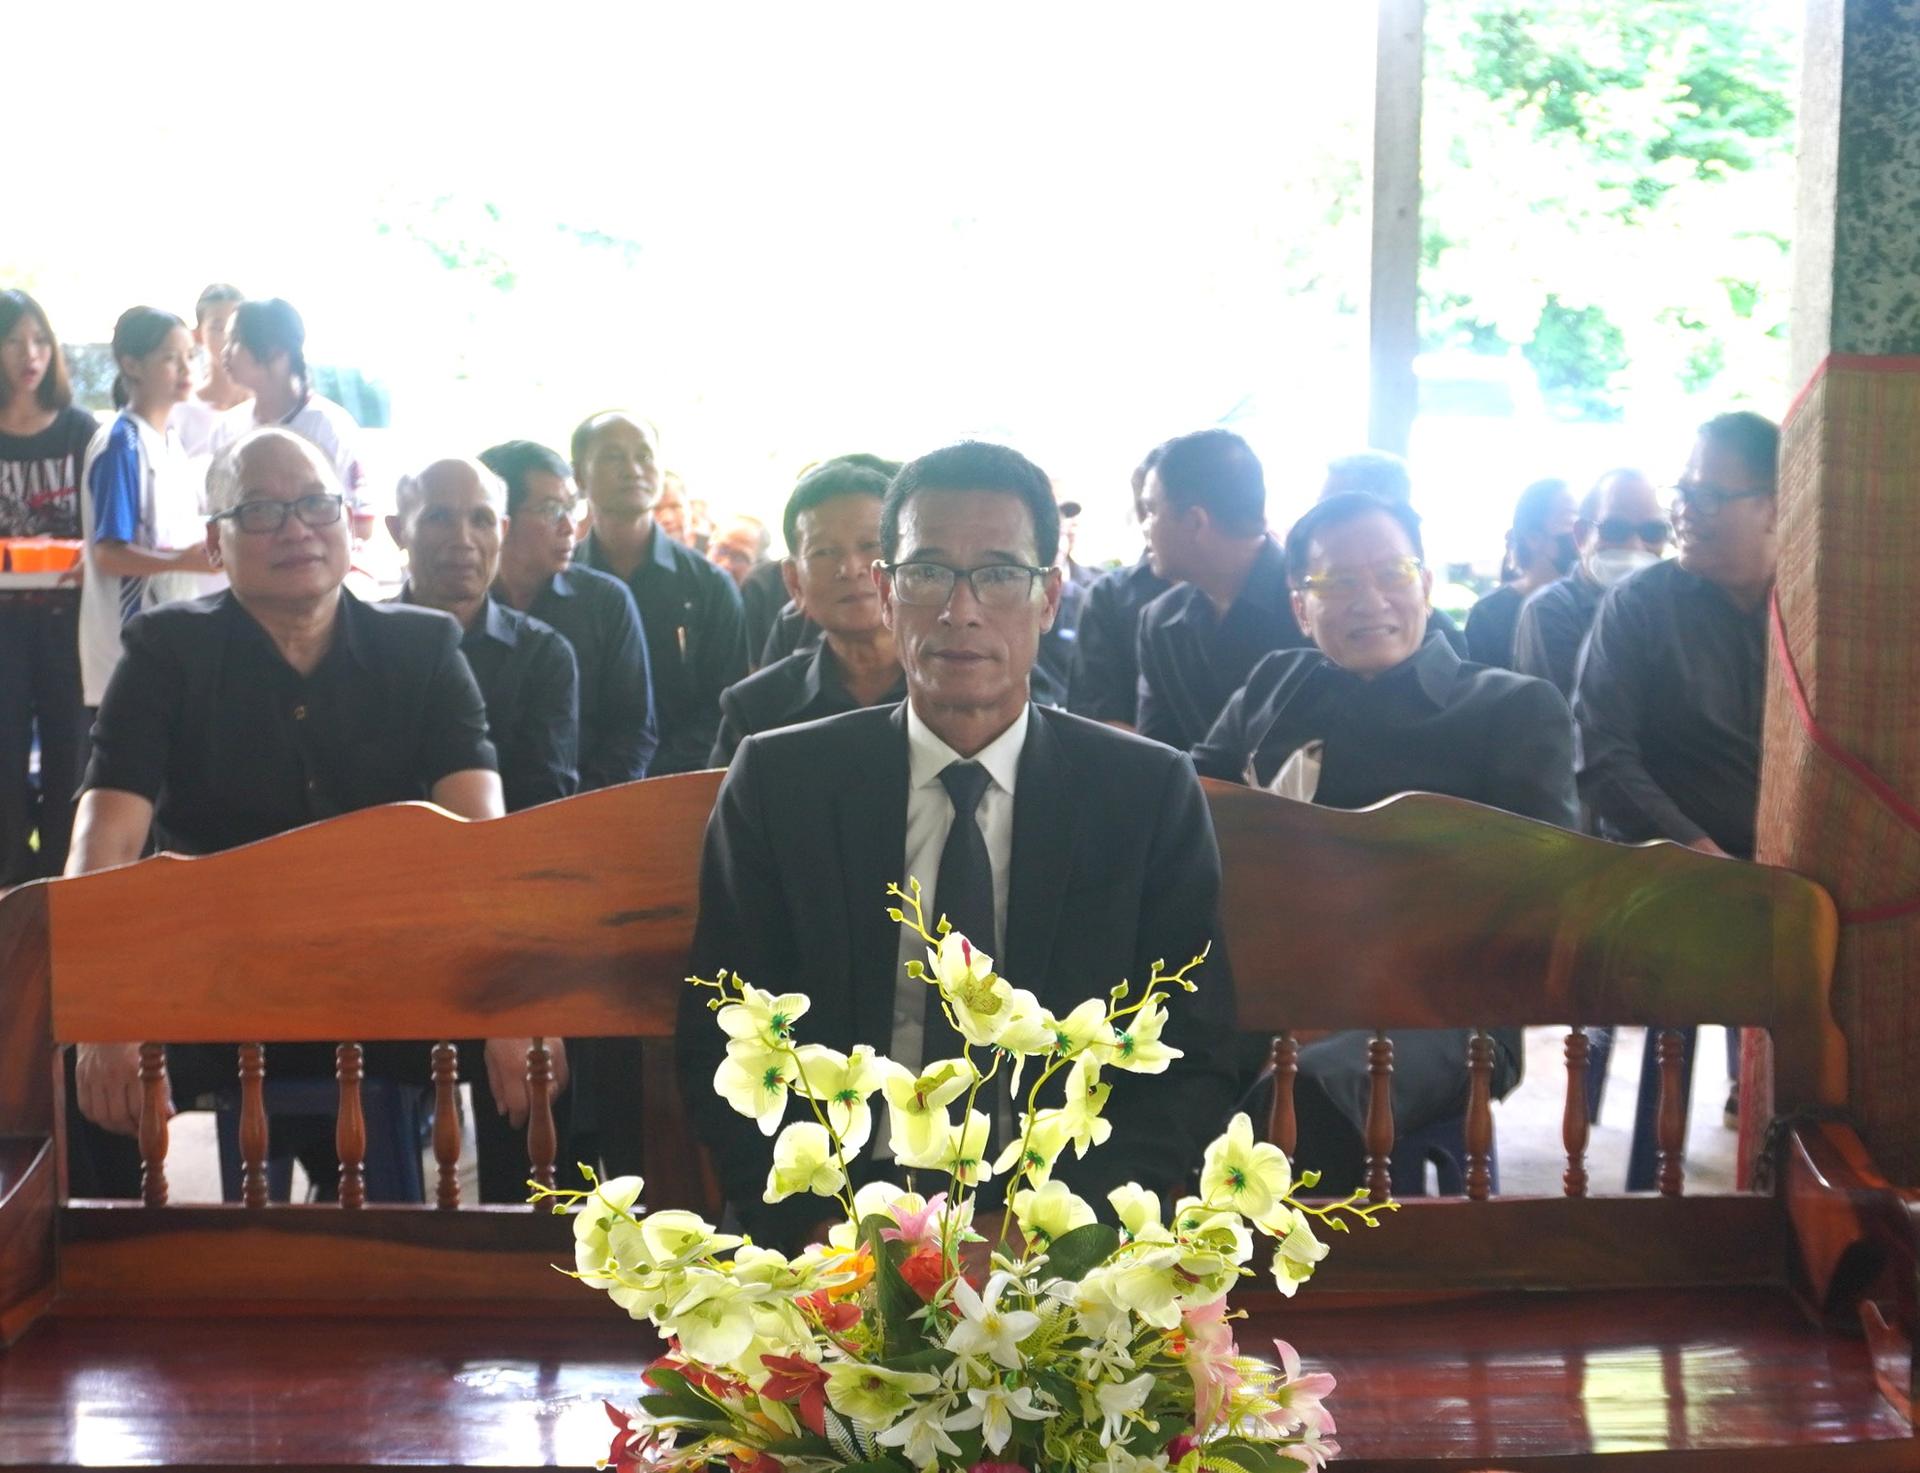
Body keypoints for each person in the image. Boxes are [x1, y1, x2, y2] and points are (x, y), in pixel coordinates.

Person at [679, 439, 1238, 1251]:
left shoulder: (1144, 794)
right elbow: (722, 1029)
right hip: (839, 1224)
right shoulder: (780, 782)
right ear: (885, 591)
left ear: (1050, 595)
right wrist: (820, 1228)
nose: (961, 609)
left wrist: (1065, 1238)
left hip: (1062, 1225)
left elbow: (1193, 1048)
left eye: (1001, 573)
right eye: (928, 572)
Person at [64, 428, 557, 1199]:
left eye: (316, 504)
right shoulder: (166, 651)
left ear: (349, 522)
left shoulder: (421, 647)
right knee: (77, 1065)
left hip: (389, 979)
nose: (296, 529)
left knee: (540, 1034)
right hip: (218, 980)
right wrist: (102, 1012)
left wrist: (517, 997)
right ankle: (123, 1293)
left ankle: (501, 1280)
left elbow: (482, 840)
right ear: (215, 543)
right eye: (260, 511)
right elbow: (105, 841)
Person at [1193, 491, 1577, 1194]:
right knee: (1144, 1064)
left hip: (1443, 1008)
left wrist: (1343, 998)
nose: (1369, 598)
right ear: (1301, 607)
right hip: (1262, 983)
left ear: (1426, 585)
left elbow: (1545, 897)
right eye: (1338, 581)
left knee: (1301, 1101)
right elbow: (1187, 804)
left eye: (1392, 572)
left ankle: (1293, 1292)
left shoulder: (1509, 709)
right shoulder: (1274, 684)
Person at [1574, 410, 1779, 1188]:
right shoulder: (1640, 607)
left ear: (1776, 505)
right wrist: (1698, 852)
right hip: (1675, 871)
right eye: (1682, 488)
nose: (1682, 509)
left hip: (1798, 876)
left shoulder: (1819, 611)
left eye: (1708, 492)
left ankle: (1816, 1185)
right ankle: (1651, 1196)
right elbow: (1603, 759)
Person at [389, 457, 579, 813]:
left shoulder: (543, 656)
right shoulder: (362, 643)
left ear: (503, 532)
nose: (463, 540)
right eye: (439, 518)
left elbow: (546, 800)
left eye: (482, 520)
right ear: (398, 530)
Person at [571, 412, 747, 774]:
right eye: (613, 456)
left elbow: (724, 705)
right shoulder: (563, 581)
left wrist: (653, 779)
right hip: (579, 787)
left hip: (682, 784)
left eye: (644, 456)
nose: (633, 469)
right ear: (578, 476)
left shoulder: (708, 586)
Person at [481, 439, 657, 788]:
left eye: (570, 509)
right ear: (500, 520)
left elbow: (633, 731)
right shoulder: (465, 604)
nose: (569, 527)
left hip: (590, 811)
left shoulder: (605, 601)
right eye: (550, 510)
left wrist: (582, 815)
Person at [710, 460, 904, 766]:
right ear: (793, 581)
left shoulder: (959, 685)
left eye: (870, 545)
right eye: (824, 552)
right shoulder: (756, 709)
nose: (851, 569)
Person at [78, 307, 220, 712]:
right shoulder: (122, 444)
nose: (185, 367)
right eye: (169, 358)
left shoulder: (168, 441)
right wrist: (184, 561)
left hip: (166, 635)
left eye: (188, 356)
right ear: (131, 364)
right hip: (128, 648)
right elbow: (108, 554)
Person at [0, 291, 96, 885]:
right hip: (5, 631)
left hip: (71, 627)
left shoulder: (79, 429)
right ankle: (11, 876)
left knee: (71, 752)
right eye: (13, 341)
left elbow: (102, 539)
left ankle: (65, 874)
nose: (29, 354)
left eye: (39, 340)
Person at [211, 297, 370, 539]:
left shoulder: (327, 425)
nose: (225, 353)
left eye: (235, 340)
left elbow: (361, 525)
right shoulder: (227, 427)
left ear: (275, 351)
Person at [1512, 468, 1669, 699]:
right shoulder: (1550, 610)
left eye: (1652, 531)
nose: (1635, 546)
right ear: (1582, 535)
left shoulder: (1676, 605)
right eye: (1615, 530)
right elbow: (1571, 718)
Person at [1067, 450, 1170, 727]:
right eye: (1144, 509)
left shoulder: (1279, 589)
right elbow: (1098, 721)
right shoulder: (1110, 597)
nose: (1147, 522)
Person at [1464, 478, 1580, 669]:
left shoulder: (1589, 604)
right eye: (1569, 519)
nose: (1578, 533)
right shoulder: (1488, 614)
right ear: (1533, 538)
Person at [169, 284, 250, 457]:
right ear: (198, 336)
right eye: (218, 328)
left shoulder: (267, 405)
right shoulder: (180, 410)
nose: (229, 338)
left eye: (237, 328)